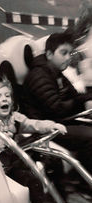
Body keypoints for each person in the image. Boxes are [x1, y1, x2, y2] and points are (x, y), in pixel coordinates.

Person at [22, 31, 92, 177]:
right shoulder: (38, 75)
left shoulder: (56, 73)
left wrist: (83, 99)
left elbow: (75, 97)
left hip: (60, 123)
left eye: (70, 53)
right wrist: (76, 101)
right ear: (49, 54)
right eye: (63, 53)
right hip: (46, 129)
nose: (68, 58)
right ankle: (85, 182)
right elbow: (57, 108)